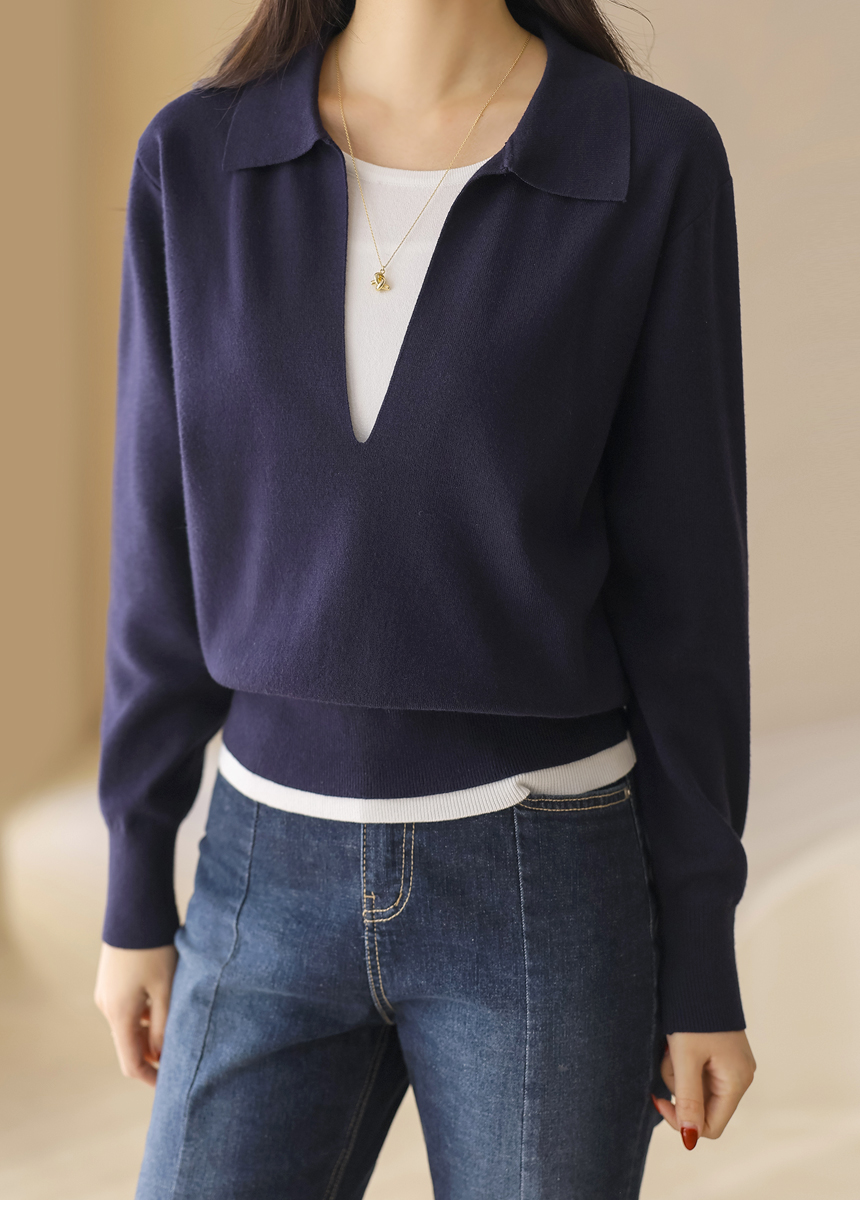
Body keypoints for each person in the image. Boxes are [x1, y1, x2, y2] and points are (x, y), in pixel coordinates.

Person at [93, 0, 756, 1201]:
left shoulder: (646, 158)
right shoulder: (195, 157)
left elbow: (686, 590)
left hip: (541, 884)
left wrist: (700, 949)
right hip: (259, 874)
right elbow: (158, 541)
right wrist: (135, 881)